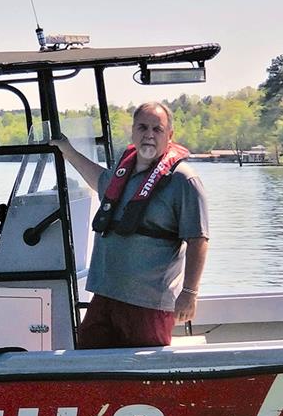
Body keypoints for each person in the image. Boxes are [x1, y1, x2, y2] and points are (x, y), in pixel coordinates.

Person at [51, 102, 209, 348]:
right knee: (87, 367)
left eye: (157, 129)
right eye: (143, 127)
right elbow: (98, 180)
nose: (149, 135)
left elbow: (199, 239)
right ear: (133, 132)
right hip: (105, 297)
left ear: (170, 135)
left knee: (144, 377)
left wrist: (190, 293)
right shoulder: (122, 172)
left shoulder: (183, 179)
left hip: (148, 304)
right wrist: (67, 150)